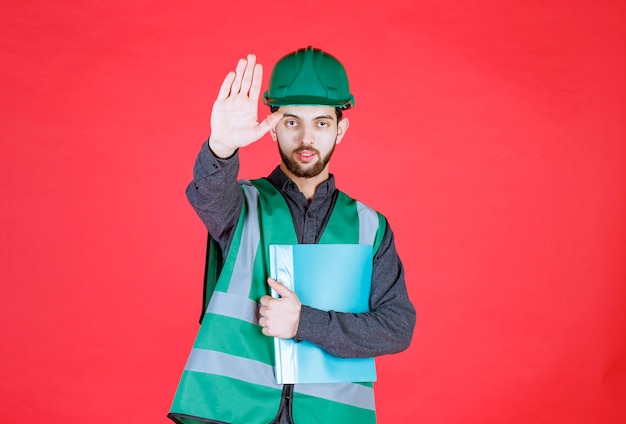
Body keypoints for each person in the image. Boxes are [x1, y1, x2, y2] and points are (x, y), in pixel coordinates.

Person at [168, 46, 416, 424]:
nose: (305, 137)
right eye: (291, 122)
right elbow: (208, 194)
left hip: (329, 416)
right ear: (271, 128)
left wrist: (304, 323)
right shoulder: (242, 205)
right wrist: (222, 146)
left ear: (340, 128)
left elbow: (397, 328)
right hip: (234, 412)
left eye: (320, 122)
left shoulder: (370, 226)